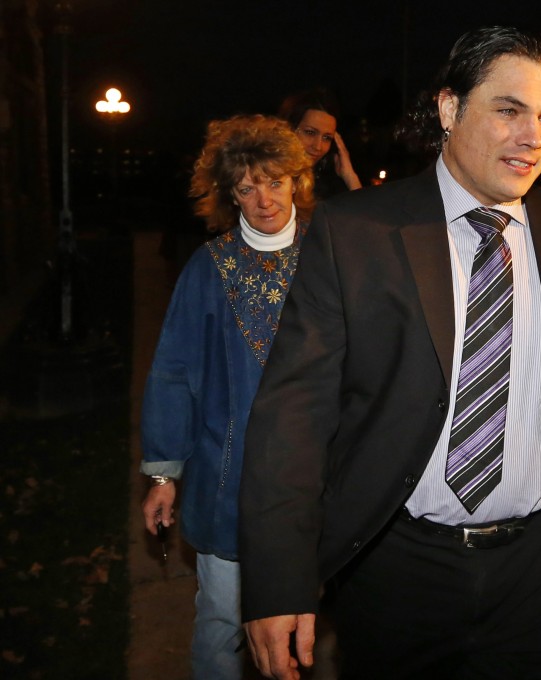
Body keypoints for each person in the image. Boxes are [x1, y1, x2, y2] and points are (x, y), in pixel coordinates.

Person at [239, 26, 541, 680]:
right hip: (398, 568)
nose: (532, 137)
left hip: (537, 570)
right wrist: (278, 581)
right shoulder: (356, 233)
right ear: (450, 109)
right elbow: (292, 417)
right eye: (508, 110)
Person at [139, 114, 315, 679]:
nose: (263, 199)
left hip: (318, 478)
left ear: (296, 181)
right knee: (221, 620)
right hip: (228, 475)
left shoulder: (331, 257)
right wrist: (165, 473)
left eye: (274, 181)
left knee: (308, 626)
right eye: (247, 187)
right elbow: (173, 371)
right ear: (229, 194)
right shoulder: (207, 268)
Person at [278, 87, 362, 199]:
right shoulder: (266, 175)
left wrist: (350, 176)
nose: (318, 146)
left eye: (327, 138)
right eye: (310, 132)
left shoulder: (327, 183)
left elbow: (366, 214)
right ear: (289, 130)